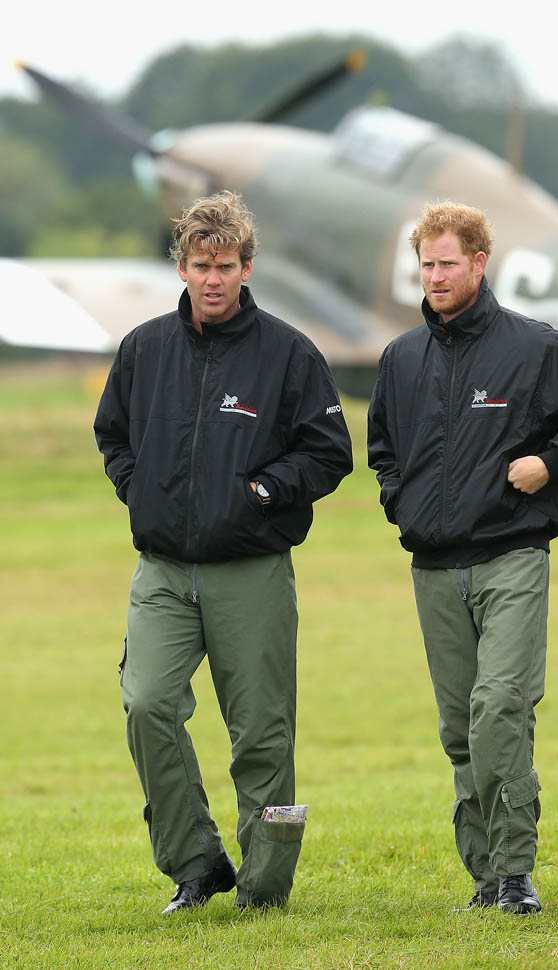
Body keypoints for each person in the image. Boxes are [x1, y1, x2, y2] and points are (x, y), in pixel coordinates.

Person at [367, 202, 558, 914]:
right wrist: (401, 501)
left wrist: (551, 463)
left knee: (499, 709)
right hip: (433, 568)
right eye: (426, 264)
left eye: (448, 263)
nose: (435, 276)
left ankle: (516, 873)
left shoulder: (535, 348)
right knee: (461, 729)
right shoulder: (400, 358)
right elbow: (383, 451)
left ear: (480, 263)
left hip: (512, 554)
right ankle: (486, 879)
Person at [94, 190, 353, 915]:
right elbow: (112, 433)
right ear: (181, 267)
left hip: (252, 572)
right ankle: (197, 864)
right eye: (201, 265)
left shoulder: (289, 353)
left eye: (227, 266)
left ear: (247, 268)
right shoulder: (144, 348)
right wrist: (140, 492)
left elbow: (330, 452)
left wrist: (262, 493)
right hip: (163, 571)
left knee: (262, 736)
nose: (213, 279)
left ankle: (265, 889)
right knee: (147, 704)